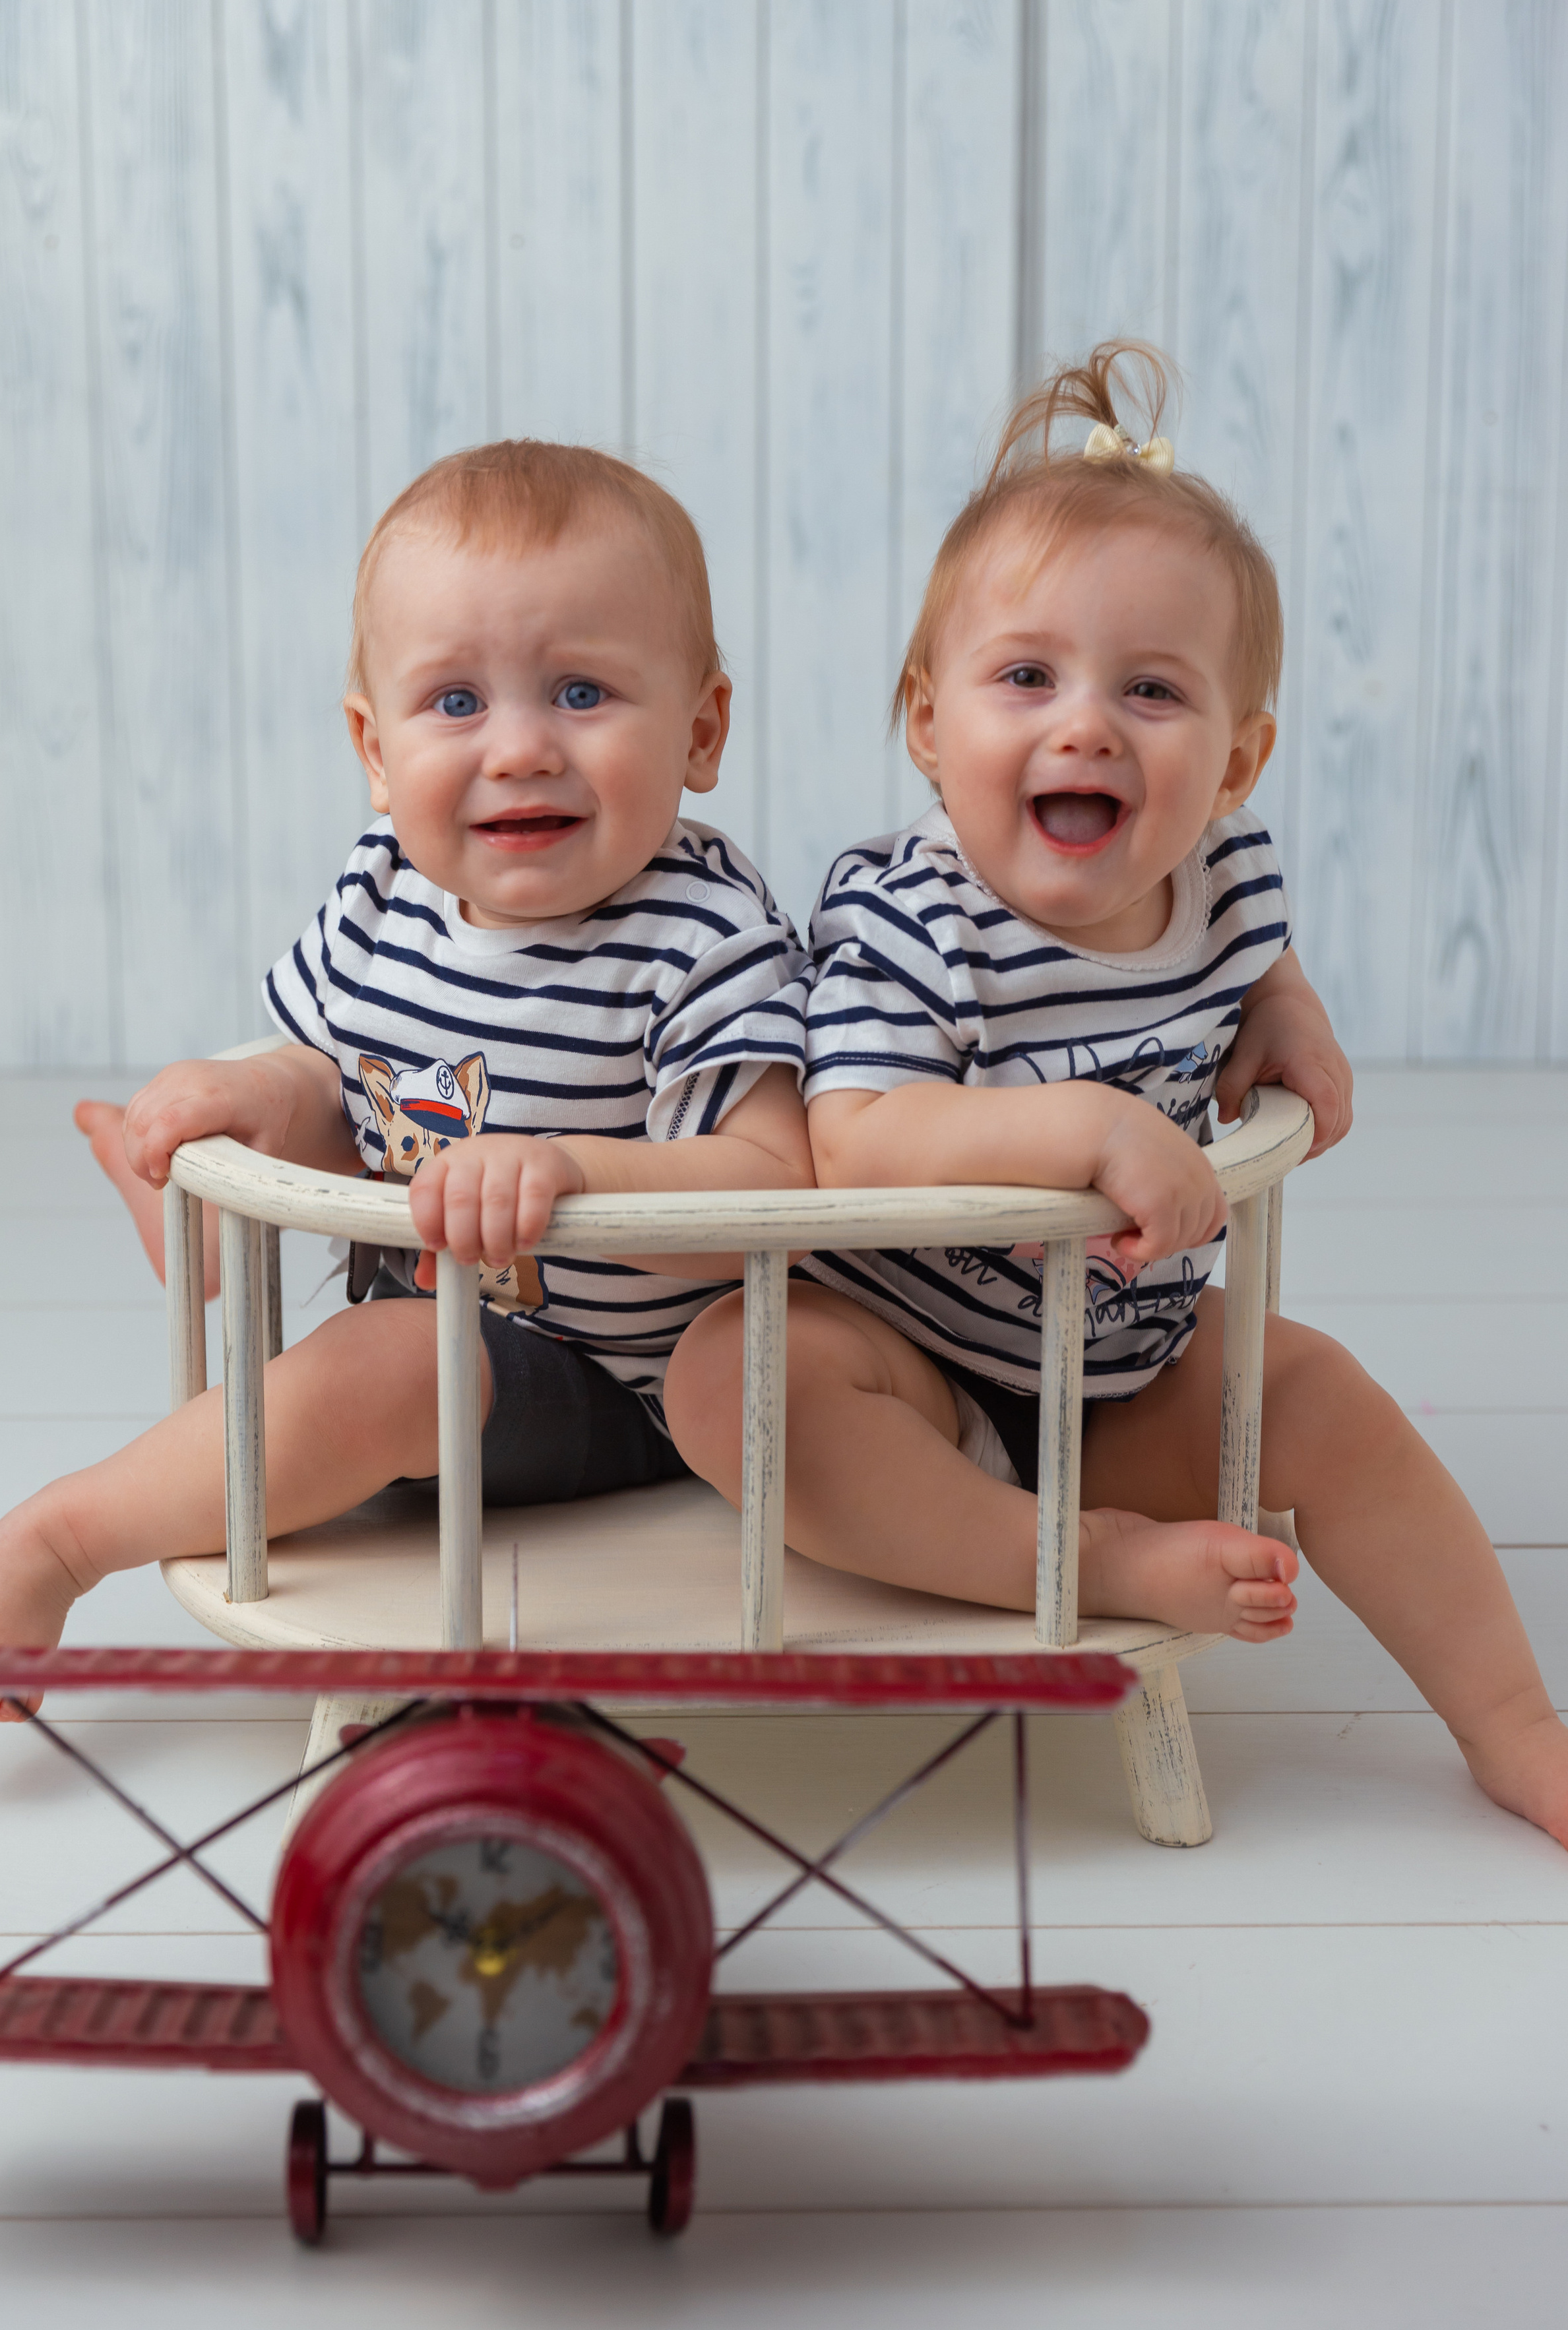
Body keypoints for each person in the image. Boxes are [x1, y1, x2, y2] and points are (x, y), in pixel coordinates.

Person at [663, 342, 1568, 1848]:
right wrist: (1090, 1126)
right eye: (1024, 677)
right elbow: (855, 1135)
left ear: (1234, 763)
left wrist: (1291, 1016)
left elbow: (1263, 959)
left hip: (1123, 1374)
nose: (1082, 724)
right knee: (733, 1379)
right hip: (918, 1370)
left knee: (1321, 1399)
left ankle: (1513, 1724)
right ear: (928, 725)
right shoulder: (911, 919)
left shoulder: (1221, 879)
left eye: (1150, 691)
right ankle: (1071, 1559)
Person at [0, 442, 814, 1704]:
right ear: (374, 750)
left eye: (581, 694)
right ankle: (178, 1191)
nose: (518, 750)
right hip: (417, 1319)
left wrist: (569, 1171)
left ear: (702, 729)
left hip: (621, 1387)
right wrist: (252, 1103)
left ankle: (68, 1536)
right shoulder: (381, 893)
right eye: (456, 704)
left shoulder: (703, 940)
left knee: (396, 1364)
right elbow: (330, 1086)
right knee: (287, 1207)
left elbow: (775, 1189)